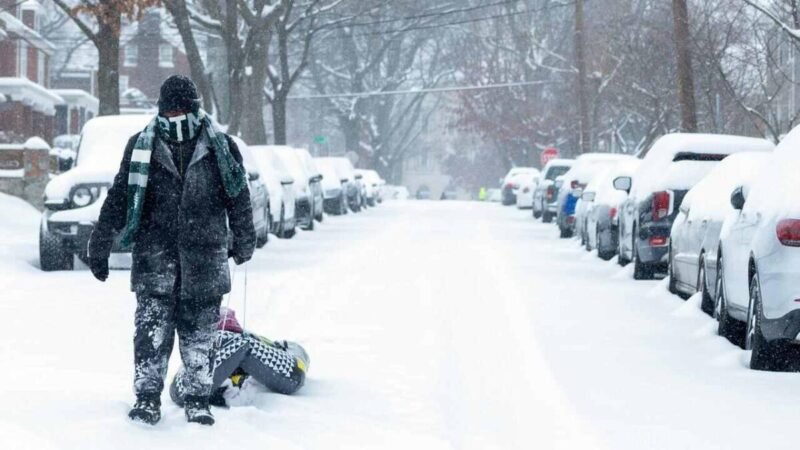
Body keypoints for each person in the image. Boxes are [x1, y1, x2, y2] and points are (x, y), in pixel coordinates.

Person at [87, 75, 256, 426]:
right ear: (162, 109)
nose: (177, 114)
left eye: (184, 107)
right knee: (151, 334)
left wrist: (243, 238)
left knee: (200, 336)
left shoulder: (220, 147)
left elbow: (238, 197)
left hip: (205, 261)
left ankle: (198, 399)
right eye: (171, 108)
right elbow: (120, 197)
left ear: (195, 108)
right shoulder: (141, 147)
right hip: (154, 261)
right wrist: (101, 240)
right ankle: (147, 398)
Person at [169, 307, 309, 408]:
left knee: (239, 345)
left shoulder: (250, 340)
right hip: (221, 354)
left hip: (243, 347)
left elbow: (295, 353)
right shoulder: (205, 350)